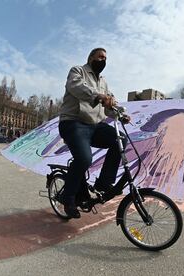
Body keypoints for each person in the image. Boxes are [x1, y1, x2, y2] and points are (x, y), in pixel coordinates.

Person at [58, 48, 130, 219]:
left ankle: (103, 184)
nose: (103, 60)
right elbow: (76, 87)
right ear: (91, 58)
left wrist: (119, 114)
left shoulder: (103, 82)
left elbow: (109, 105)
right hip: (73, 123)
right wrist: (99, 96)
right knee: (84, 159)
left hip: (94, 125)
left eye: (105, 58)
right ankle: (67, 198)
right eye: (100, 57)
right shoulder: (78, 71)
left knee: (120, 139)